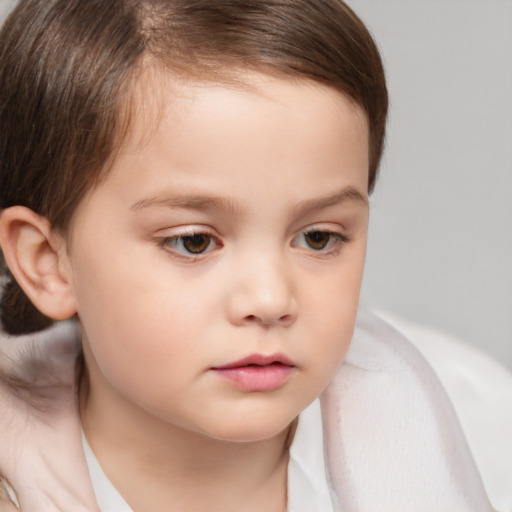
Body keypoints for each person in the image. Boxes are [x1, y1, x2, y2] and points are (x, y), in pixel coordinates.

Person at [0, 1, 508, 511]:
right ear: (47, 261)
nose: (270, 300)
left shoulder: (481, 427)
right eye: (194, 241)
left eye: (318, 237)